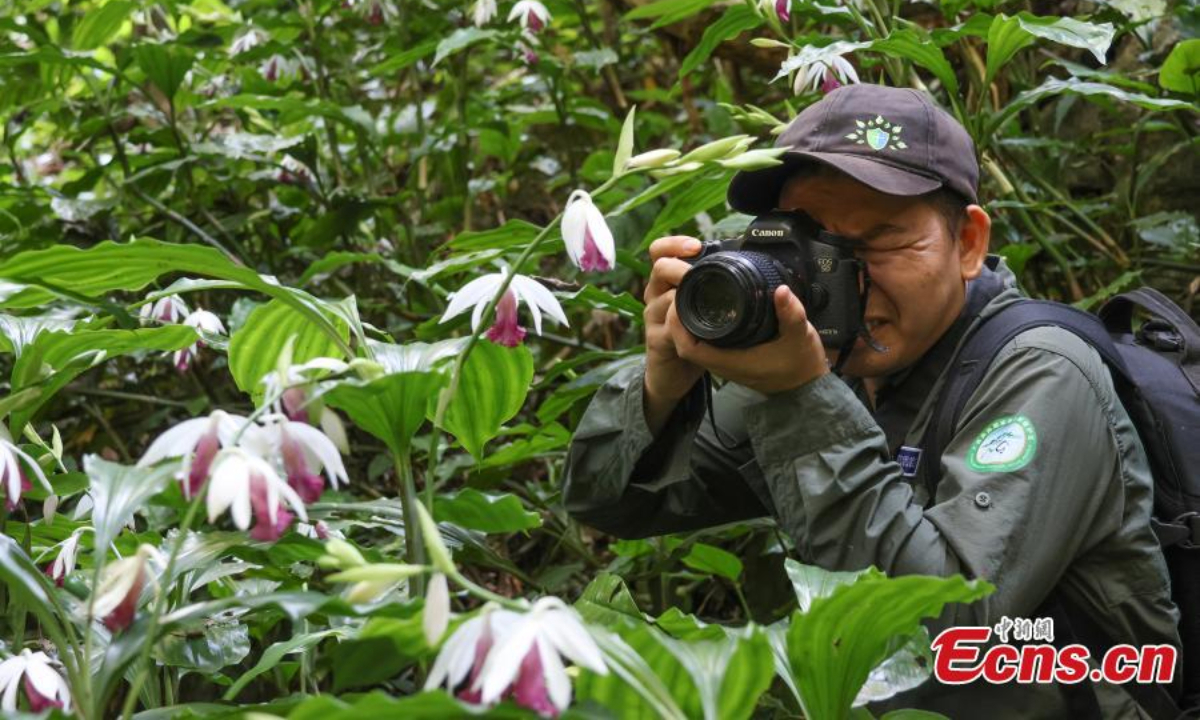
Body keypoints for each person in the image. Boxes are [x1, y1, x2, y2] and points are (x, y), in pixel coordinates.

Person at [561, 84, 1183, 718]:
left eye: (879, 242)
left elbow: (942, 622)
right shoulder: (819, 356)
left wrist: (801, 396)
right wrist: (663, 386)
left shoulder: (1042, 368)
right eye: (814, 246)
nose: (845, 278)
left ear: (967, 244)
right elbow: (605, 505)